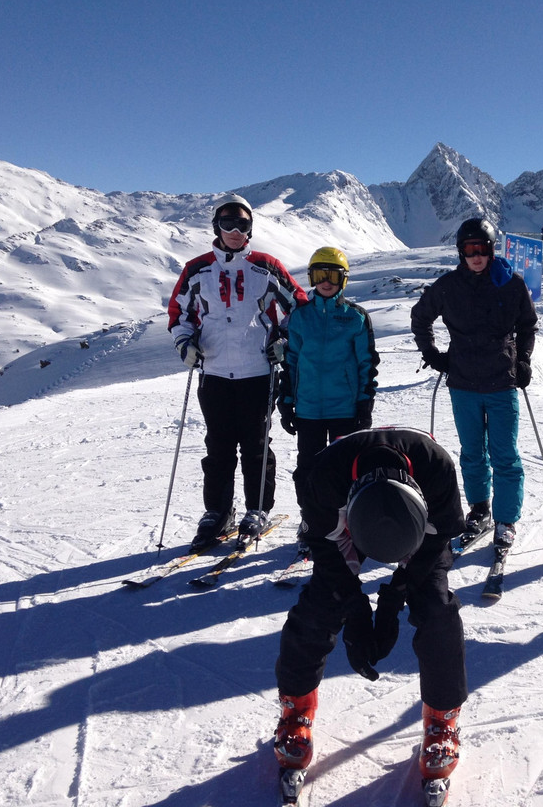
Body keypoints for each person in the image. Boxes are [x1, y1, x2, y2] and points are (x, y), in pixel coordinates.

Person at [272, 428, 467, 799]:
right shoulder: (321, 480)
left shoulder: (437, 468)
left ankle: (443, 720)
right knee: (319, 607)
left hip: (422, 532)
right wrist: (357, 612)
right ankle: (295, 711)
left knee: (437, 610)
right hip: (342, 512)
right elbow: (328, 557)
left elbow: (436, 542)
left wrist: (395, 599)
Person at [168, 194, 307, 549]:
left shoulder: (266, 266)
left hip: (257, 372)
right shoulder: (198, 269)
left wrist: (285, 339)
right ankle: (217, 512)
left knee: (257, 446)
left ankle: (257, 509)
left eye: (241, 224)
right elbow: (179, 312)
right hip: (214, 371)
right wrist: (186, 343)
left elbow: (299, 306)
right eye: (227, 223)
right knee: (218, 446)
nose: (234, 231)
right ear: (216, 227)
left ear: (250, 229)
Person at [410, 217, 537, 547]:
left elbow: (527, 324)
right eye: (469, 249)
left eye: (482, 248)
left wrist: (523, 359)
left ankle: (506, 518)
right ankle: (480, 510)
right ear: (460, 252)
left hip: (502, 381)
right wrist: (433, 354)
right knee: (472, 453)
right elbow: (420, 317)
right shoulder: (449, 286)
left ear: (492, 250)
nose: (476, 255)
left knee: (505, 454)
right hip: (463, 382)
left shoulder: (511, 284)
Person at [277, 247, 379, 508]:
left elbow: (366, 364)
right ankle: (312, 524)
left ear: (342, 280)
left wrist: (364, 404)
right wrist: (286, 402)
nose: (326, 282)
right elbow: (291, 363)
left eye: (333, 276)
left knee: (344, 468)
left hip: (344, 409)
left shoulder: (354, 318)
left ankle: (345, 522)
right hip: (308, 409)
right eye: (320, 275)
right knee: (308, 469)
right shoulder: (300, 318)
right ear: (311, 278)